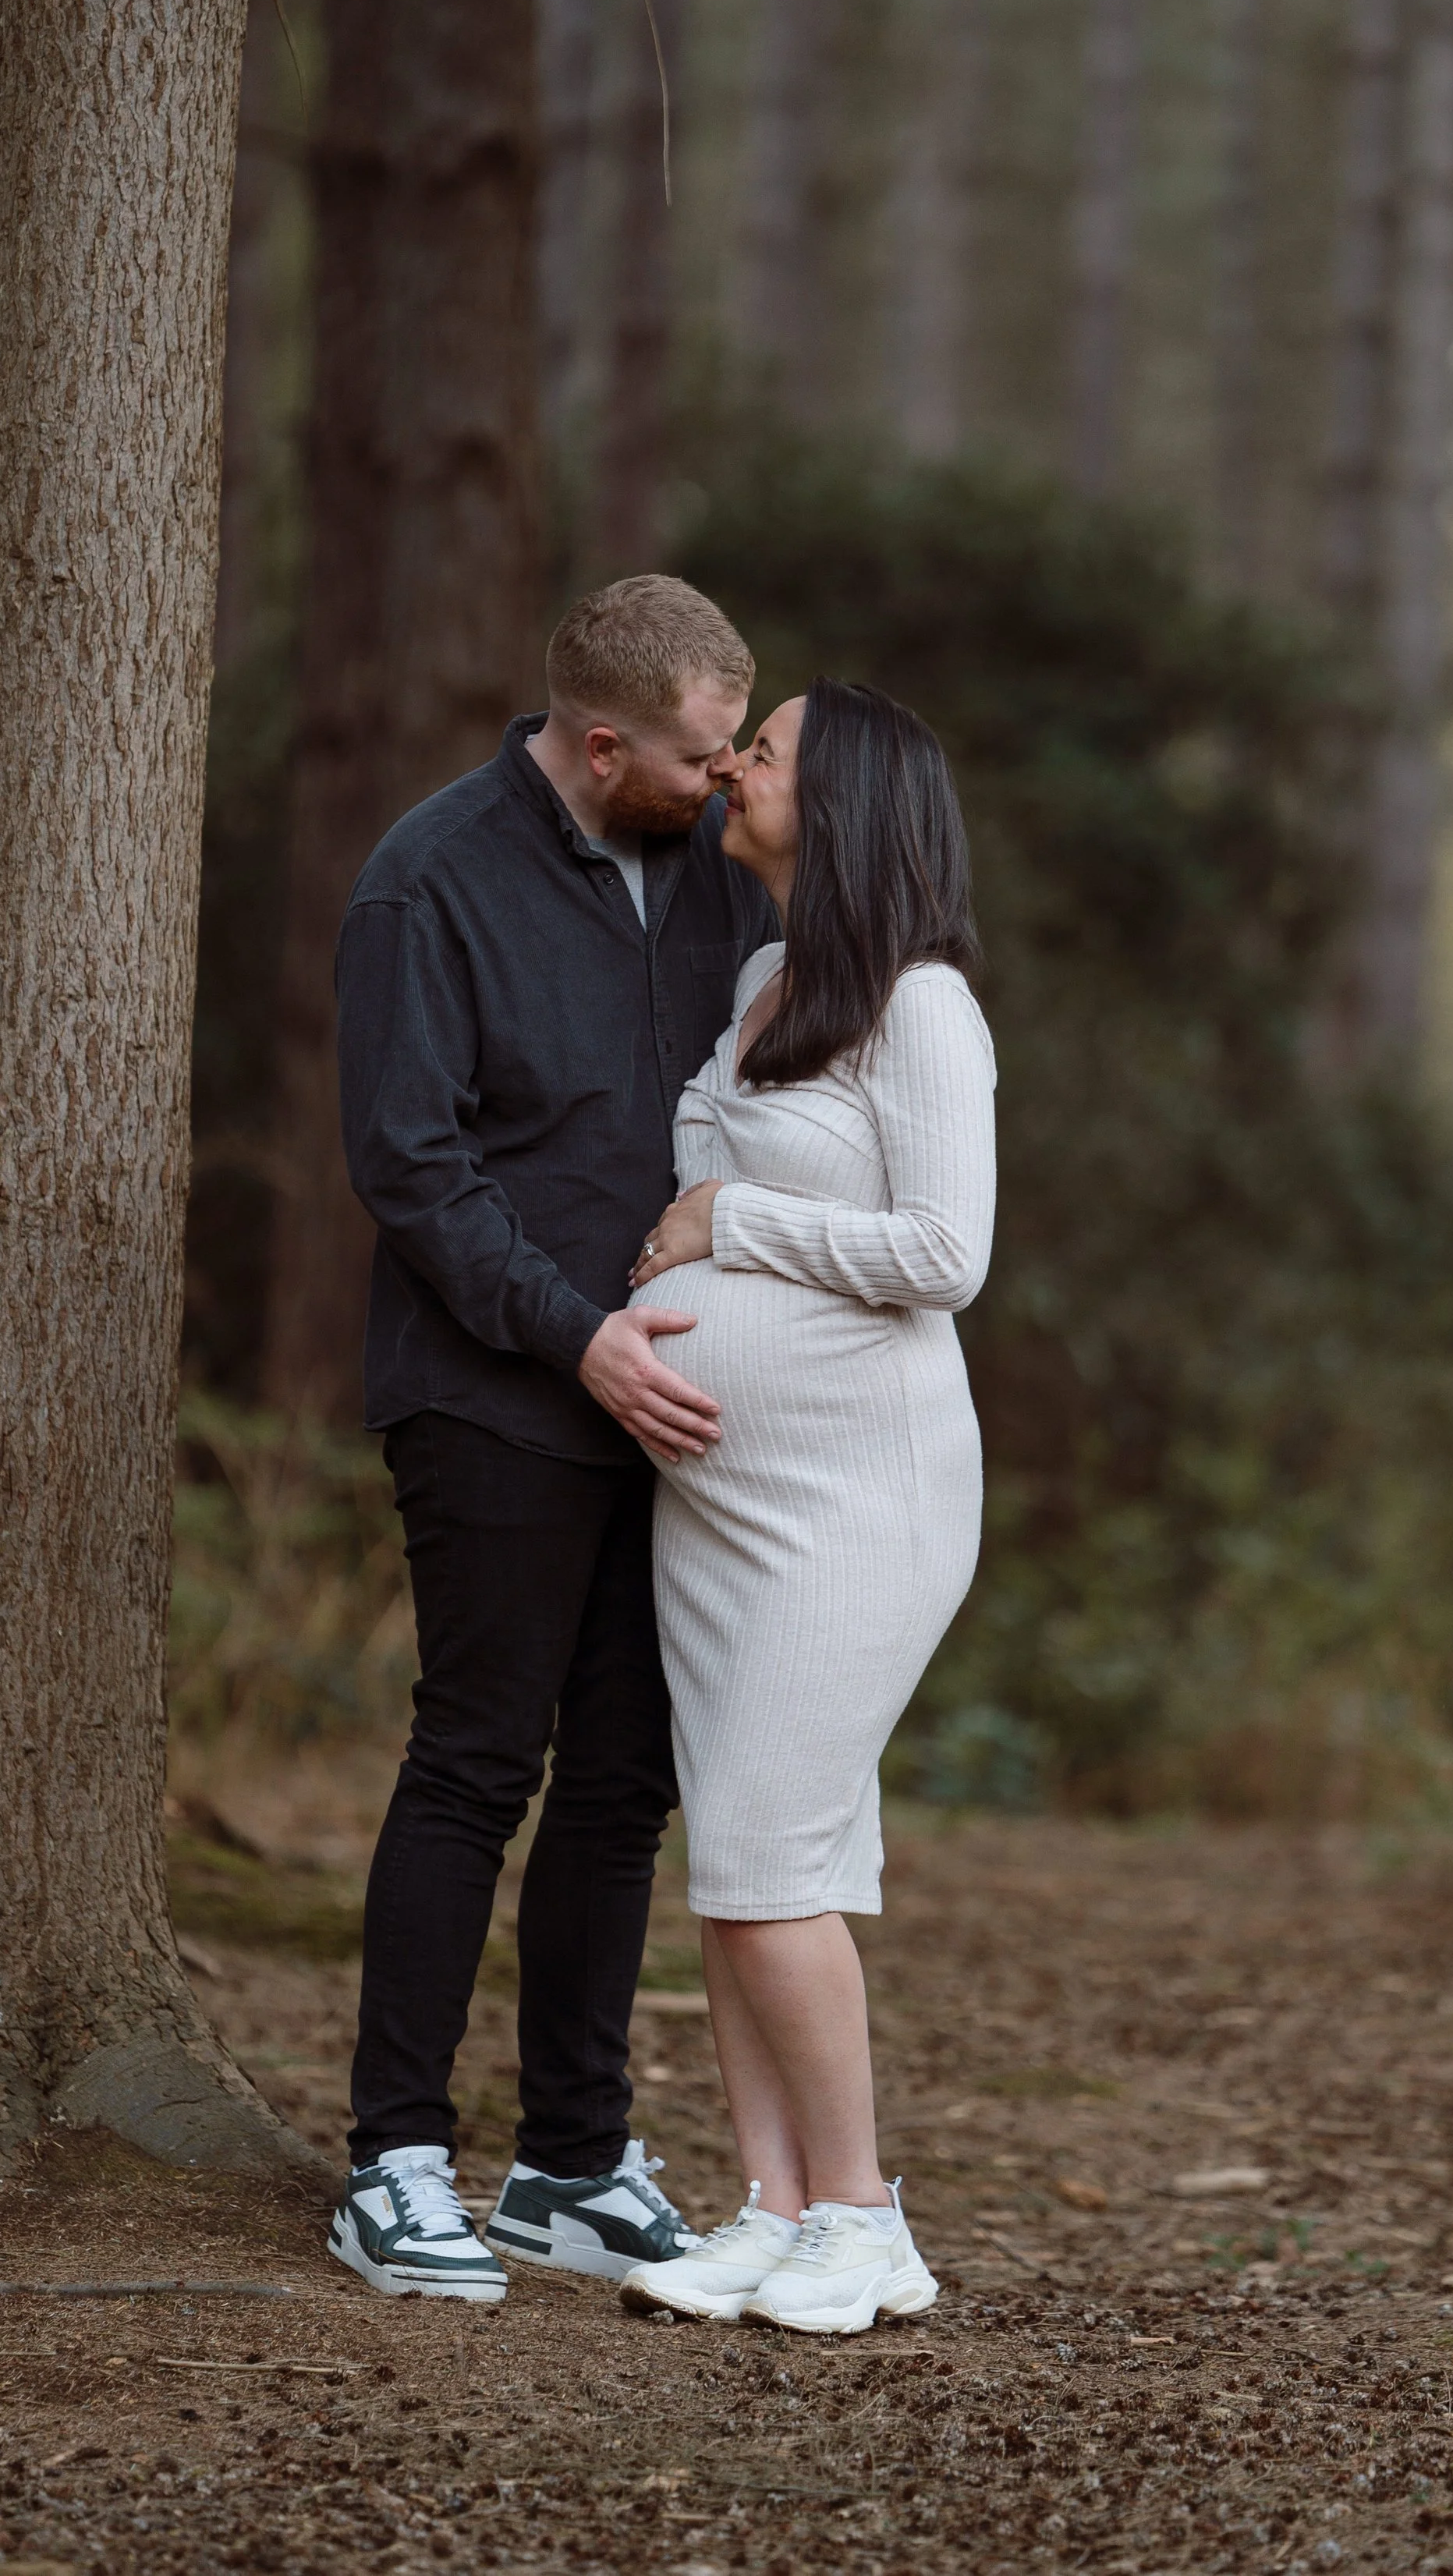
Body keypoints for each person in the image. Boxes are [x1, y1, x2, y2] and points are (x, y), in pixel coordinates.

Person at [325, 576, 778, 2302]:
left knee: (624, 1781)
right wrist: (574, 1333)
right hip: (494, 1394)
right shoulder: (429, 879)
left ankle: (571, 2164)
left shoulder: (721, 873)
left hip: (673, 1407)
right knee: (476, 1761)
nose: (726, 778)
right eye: (699, 754)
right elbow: (411, 1164)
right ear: (601, 746)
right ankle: (393, 2160)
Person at [613, 679, 996, 2337]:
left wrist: (729, 1230)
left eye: (760, 752)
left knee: (771, 1861)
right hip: (723, 1510)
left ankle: (862, 2217)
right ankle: (772, 2208)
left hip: (858, 1503)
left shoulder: (923, 1007)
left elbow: (945, 1254)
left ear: (838, 802)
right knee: (742, 1866)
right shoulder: (767, 981)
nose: (730, 768)